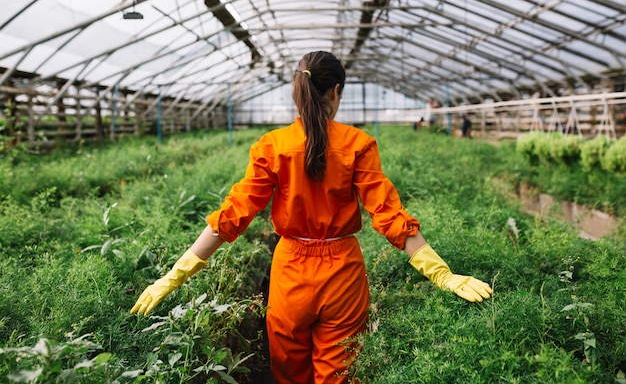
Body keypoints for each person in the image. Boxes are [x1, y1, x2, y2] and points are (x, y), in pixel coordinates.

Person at [130, 51, 492, 384]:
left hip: (289, 272)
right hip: (343, 275)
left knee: (289, 371)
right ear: (336, 91)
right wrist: (442, 274)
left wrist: (171, 276)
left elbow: (231, 216)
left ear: (296, 92)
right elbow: (388, 215)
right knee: (340, 373)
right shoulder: (358, 144)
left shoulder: (272, 146)